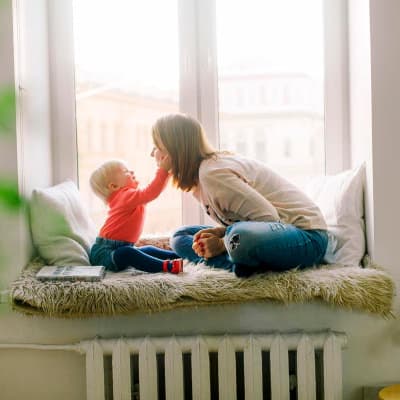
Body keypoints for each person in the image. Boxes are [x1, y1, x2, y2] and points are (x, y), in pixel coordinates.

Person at [151, 113, 328, 277]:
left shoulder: (212, 174)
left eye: (157, 147)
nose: (152, 153)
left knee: (239, 237)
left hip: (307, 237)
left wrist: (221, 243)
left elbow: (269, 218)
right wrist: (222, 234)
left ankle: (239, 261)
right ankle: (241, 265)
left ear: (174, 151)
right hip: (267, 233)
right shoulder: (200, 179)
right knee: (180, 236)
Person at [89, 156, 183, 274]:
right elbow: (151, 192)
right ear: (114, 186)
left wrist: (167, 173)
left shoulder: (127, 197)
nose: (132, 172)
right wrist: (163, 170)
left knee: (147, 249)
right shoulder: (125, 196)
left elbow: (153, 192)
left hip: (119, 248)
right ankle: (167, 266)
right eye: (126, 171)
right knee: (128, 253)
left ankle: (179, 256)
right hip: (104, 254)